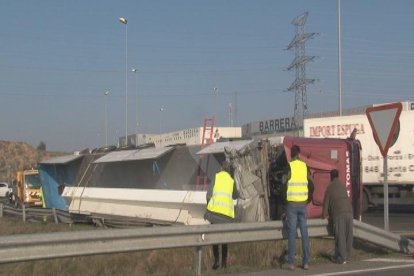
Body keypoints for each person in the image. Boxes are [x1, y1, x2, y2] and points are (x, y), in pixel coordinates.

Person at [283, 144, 314, 271]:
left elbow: (284, 183)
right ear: (299, 154)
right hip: (302, 203)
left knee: (291, 233)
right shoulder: (304, 166)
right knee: (304, 232)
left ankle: (291, 263)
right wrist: (308, 198)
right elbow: (311, 184)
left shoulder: (289, 166)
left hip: (292, 204)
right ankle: (306, 262)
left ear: (291, 154)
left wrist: (284, 199)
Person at [204, 160, 237, 270]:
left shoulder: (216, 177)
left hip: (214, 213)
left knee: (215, 238)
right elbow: (235, 195)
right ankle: (224, 263)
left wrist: (209, 207)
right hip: (226, 216)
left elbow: (208, 195)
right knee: (224, 239)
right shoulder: (232, 181)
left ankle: (216, 261)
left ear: (221, 168)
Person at [322, 169, 353, 264]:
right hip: (349, 211)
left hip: (339, 213)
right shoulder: (342, 186)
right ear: (338, 176)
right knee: (348, 235)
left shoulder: (330, 187)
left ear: (331, 177)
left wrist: (323, 215)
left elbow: (326, 204)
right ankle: (348, 256)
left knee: (340, 236)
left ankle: (342, 258)